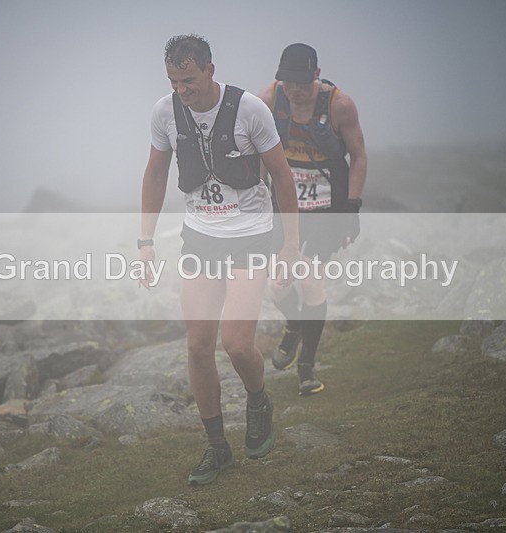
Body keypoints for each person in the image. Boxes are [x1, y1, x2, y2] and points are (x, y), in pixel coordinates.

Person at [139, 34, 299, 485]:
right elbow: (155, 173)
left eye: (188, 80)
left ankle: (259, 399)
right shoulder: (165, 112)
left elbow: (283, 178)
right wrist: (145, 242)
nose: (181, 90)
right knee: (197, 346)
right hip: (202, 240)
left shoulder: (250, 110)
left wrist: (290, 245)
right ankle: (217, 448)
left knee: (237, 345)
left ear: (210, 69)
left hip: (251, 237)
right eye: (174, 81)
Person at [258, 43, 367, 396]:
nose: (294, 91)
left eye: (301, 84)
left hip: (326, 206)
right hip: (283, 205)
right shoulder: (268, 100)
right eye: (287, 83)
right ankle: (293, 324)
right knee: (277, 286)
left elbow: (359, 156)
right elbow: (257, 152)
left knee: (310, 280)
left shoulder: (340, 105)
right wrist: (257, 198)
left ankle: (306, 365)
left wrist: (351, 209)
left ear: (317, 75)